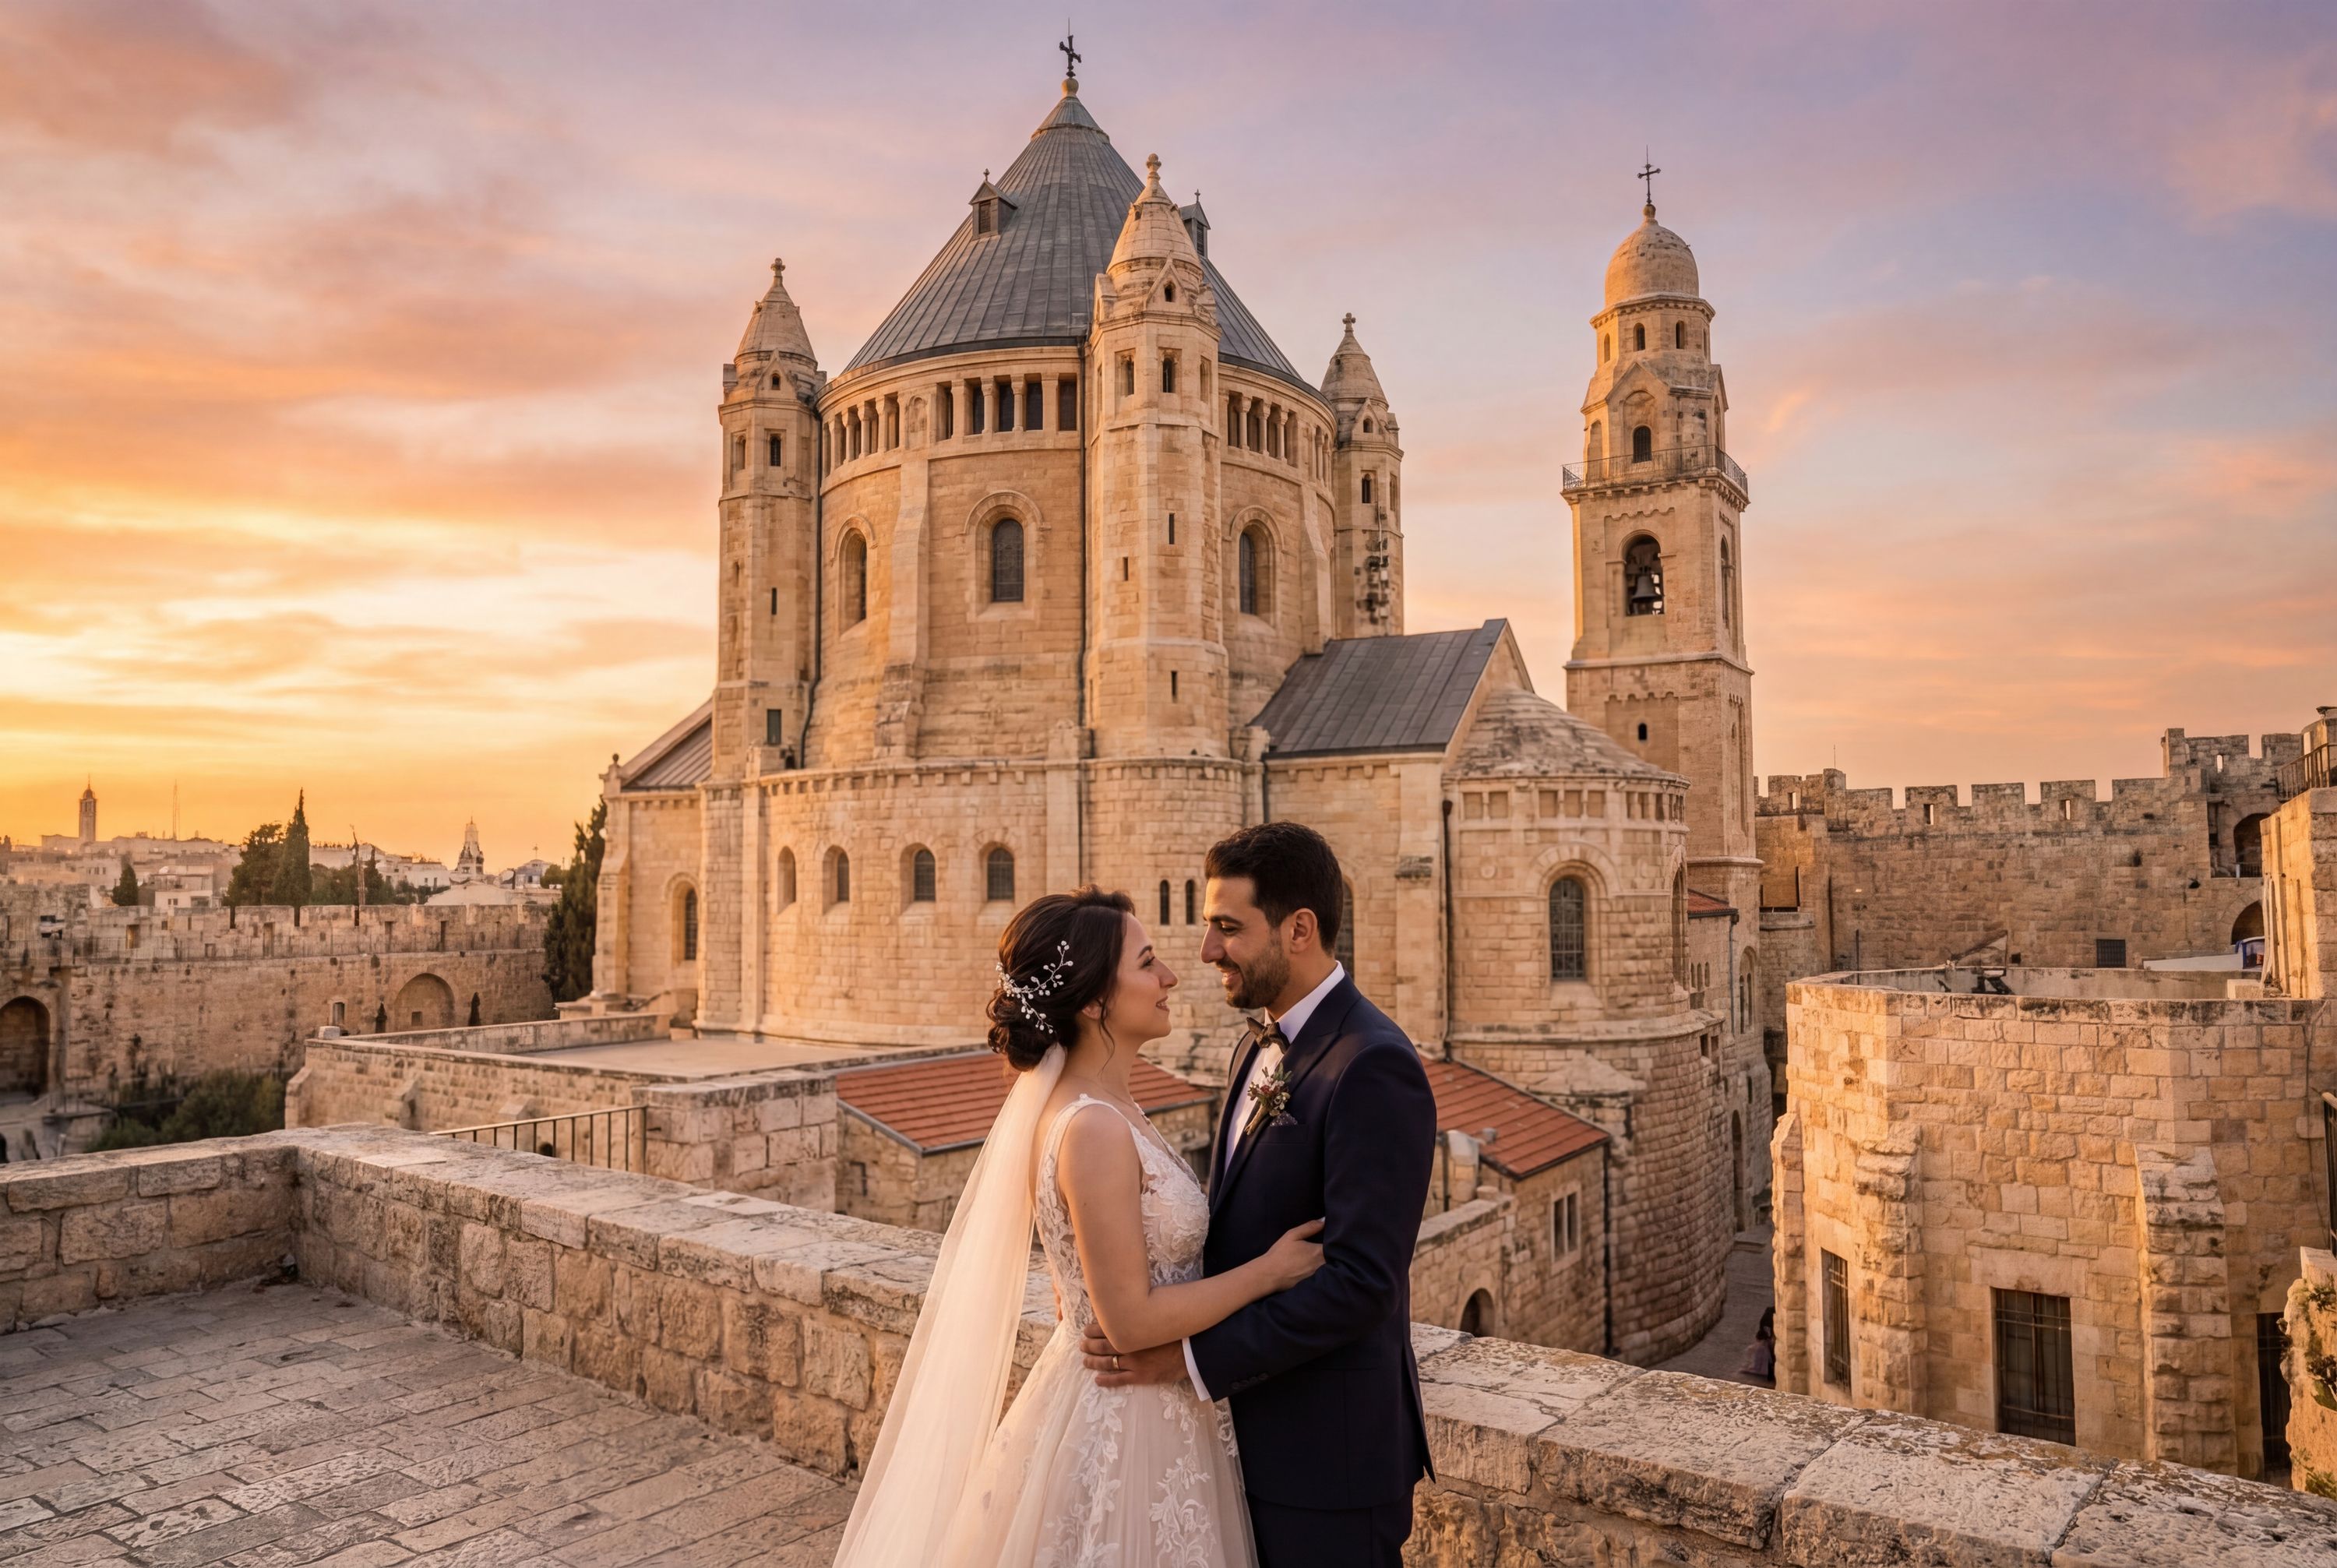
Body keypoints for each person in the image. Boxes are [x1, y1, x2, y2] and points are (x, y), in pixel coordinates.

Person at [832, 886, 1327, 1567]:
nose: (1170, 977)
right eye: (1148, 963)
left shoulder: (1101, 1104)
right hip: (1130, 1420)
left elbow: (1082, 1287)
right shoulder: (1091, 1125)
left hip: (1149, 1403)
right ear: (1095, 1000)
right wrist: (1267, 1273)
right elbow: (1126, 1320)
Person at [1082, 822, 1439, 1568]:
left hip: (1328, 1463)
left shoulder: (1374, 1064)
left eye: (1227, 928)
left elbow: (1360, 1283)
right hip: (1241, 1443)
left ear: (1299, 928)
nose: (1207, 951)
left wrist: (1186, 1358)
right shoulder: (1256, 1044)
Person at [1740, 1306, 1776, 1384]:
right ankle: (1771, 1375)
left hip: (1765, 1337)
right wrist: (1770, 1337)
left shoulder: (1766, 1317)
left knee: (1769, 1356)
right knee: (1771, 1357)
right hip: (1768, 1338)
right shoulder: (1770, 1318)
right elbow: (1768, 1330)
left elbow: (1763, 1327)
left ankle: (1769, 1374)